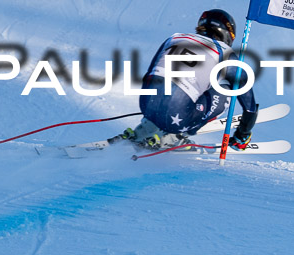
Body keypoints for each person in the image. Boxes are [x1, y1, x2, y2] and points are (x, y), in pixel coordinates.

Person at [110, 9, 258, 151]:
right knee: (226, 88)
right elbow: (249, 105)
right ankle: (174, 136)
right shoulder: (225, 53)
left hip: (146, 105)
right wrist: (242, 135)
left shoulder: (174, 38)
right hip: (178, 114)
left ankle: (144, 130)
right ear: (227, 33)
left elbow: (150, 72)